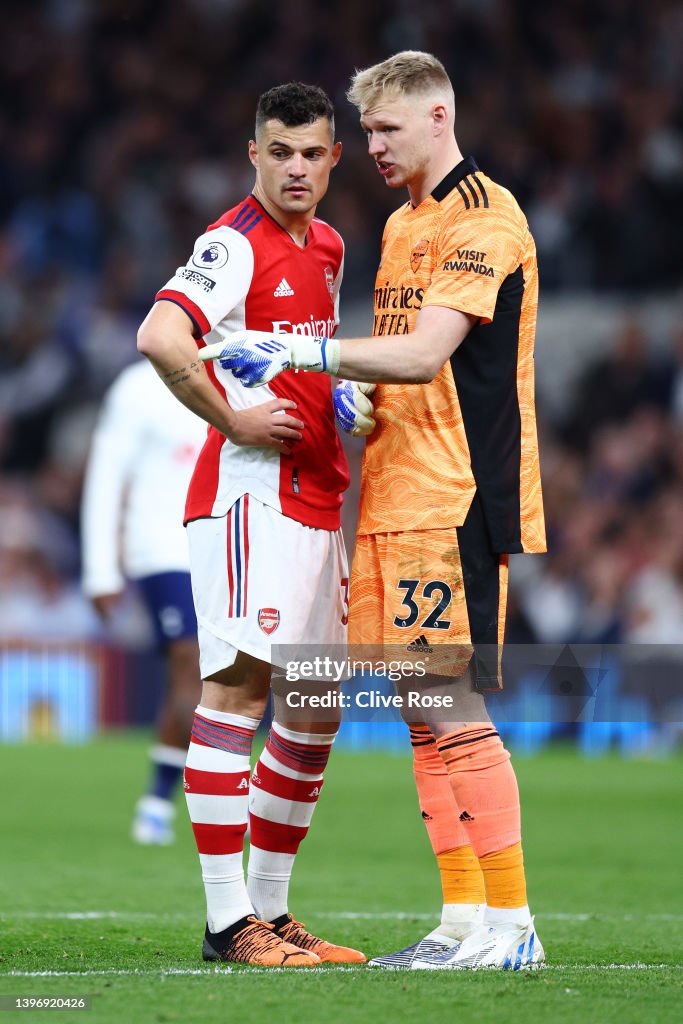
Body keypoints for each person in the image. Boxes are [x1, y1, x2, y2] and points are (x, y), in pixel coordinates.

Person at [200, 51, 547, 971]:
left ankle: (512, 924)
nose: (374, 147)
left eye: (388, 130)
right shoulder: (399, 228)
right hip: (388, 495)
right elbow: (389, 363)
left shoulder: (487, 218)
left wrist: (298, 356)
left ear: (439, 118)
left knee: (454, 706)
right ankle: (460, 921)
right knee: (418, 713)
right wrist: (358, 404)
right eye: (369, 133)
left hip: (453, 494)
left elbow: (426, 351)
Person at [136, 82, 366, 967]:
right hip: (247, 497)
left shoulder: (332, 246)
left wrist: (333, 395)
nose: (297, 168)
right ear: (255, 155)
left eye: (312, 153)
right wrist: (231, 418)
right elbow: (162, 335)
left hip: (315, 497)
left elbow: (285, 348)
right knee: (236, 693)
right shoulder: (231, 245)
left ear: (334, 158)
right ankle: (228, 923)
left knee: (312, 712)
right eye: (281, 152)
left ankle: (271, 914)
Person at [81, 359, 205, 845]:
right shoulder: (137, 384)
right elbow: (106, 473)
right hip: (163, 546)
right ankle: (192, 799)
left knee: (229, 678)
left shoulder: (241, 364)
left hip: (233, 544)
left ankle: (160, 800)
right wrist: (99, 570)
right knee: (189, 664)